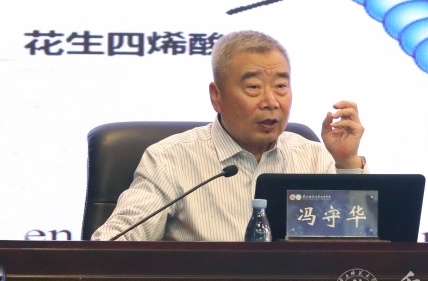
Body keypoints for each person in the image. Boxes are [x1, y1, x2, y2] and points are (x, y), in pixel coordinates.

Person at [92, 30, 367, 241]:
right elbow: (112, 243)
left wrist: (346, 163)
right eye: (254, 87)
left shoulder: (314, 158)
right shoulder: (170, 160)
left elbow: (358, 245)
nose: (271, 101)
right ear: (217, 96)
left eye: (281, 86)